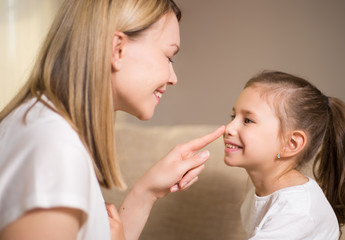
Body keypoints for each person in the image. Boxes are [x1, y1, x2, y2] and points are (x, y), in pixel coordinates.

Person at [0, 0, 225, 239]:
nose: (173, 77)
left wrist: (147, 192)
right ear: (118, 49)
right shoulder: (54, 146)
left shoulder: (42, 126)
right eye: (169, 57)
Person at [223, 71, 345, 239]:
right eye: (233, 116)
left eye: (248, 120)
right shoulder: (259, 194)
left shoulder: (298, 210)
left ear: (291, 144)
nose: (228, 128)